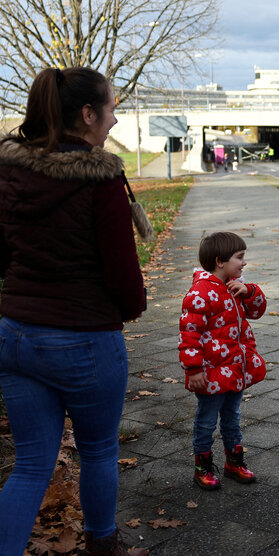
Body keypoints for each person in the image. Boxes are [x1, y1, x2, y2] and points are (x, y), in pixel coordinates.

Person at [0, 67, 148, 555]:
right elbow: (124, 279)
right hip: (84, 338)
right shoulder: (101, 179)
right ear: (87, 115)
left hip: (16, 336)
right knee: (100, 451)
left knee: (30, 464)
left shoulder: (9, 170)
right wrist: (131, 308)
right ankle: (102, 545)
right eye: (110, 109)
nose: (114, 120)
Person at [179, 232, 267, 490]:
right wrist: (194, 369)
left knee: (232, 417)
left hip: (234, 369)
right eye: (239, 257)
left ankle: (234, 462)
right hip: (210, 373)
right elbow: (189, 334)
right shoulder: (200, 293)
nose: (244, 263)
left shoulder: (235, 286)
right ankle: (202, 466)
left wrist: (249, 291)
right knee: (207, 420)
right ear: (220, 261)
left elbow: (257, 311)